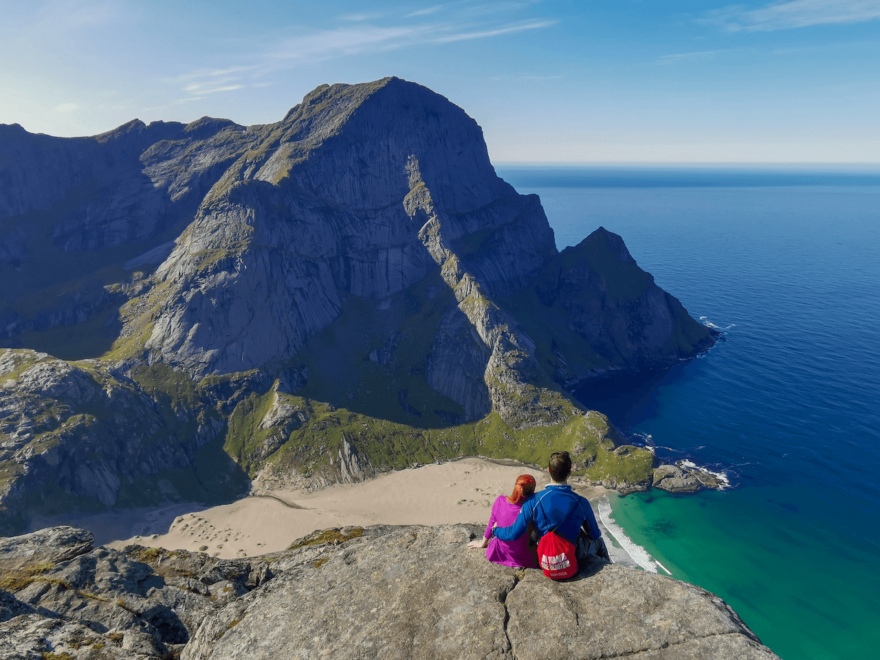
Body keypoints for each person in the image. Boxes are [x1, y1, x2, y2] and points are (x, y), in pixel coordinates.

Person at [492, 451, 607, 570]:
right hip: (572, 557)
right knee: (600, 542)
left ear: (548, 470)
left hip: (545, 559)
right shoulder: (581, 502)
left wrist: (495, 531)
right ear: (569, 473)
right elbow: (594, 534)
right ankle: (607, 571)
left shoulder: (533, 500)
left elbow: (514, 533)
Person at [467, 474, 538, 568]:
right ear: (532, 492)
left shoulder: (500, 500)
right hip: (523, 557)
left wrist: (482, 543)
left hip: (499, 553)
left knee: (497, 522)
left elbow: (491, 523)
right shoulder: (532, 509)